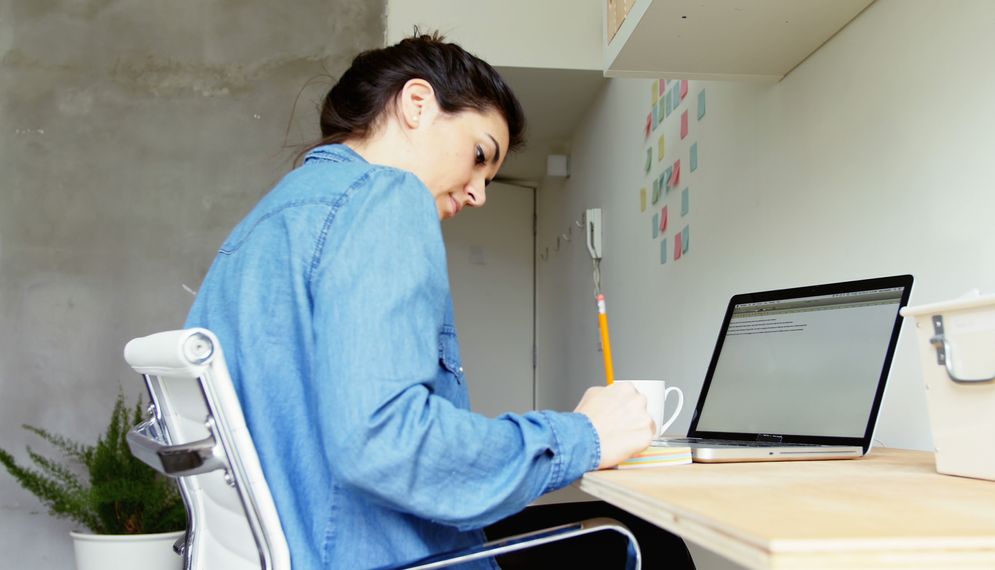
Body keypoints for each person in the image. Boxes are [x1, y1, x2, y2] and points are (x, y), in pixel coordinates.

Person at [185, 32, 689, 569]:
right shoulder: (385, 196)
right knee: (653, 542)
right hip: (380, 555)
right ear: (417, 104)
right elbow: (384, 442)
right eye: (479, 155)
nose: (479, 193)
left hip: (315, 546)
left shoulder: (255, 232)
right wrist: (585, 435)